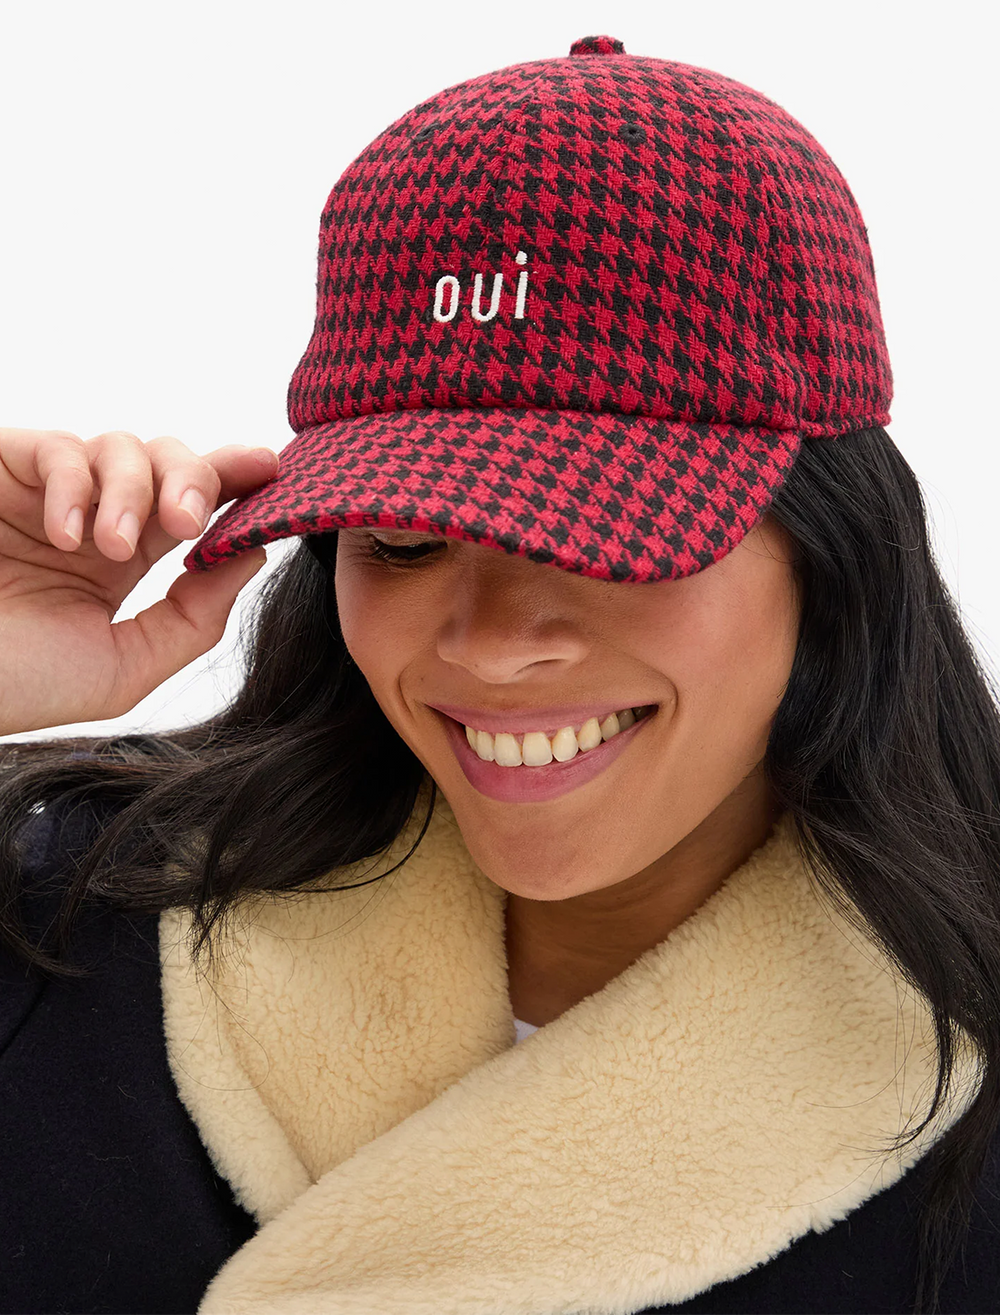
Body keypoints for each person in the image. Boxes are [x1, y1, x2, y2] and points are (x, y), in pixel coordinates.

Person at [1, 33, 998, 1315]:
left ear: (836, 550)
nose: (485, 640)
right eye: (403, 538)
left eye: (606, 534)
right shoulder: (61, 925)